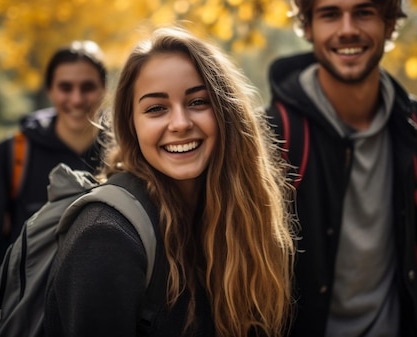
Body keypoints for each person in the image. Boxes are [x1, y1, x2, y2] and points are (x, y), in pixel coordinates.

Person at [265, 0, 417, 337]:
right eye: (330, 14)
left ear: (389, 23)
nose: (347, 29)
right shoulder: (271, 133)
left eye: (364, 12)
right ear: (308, 26)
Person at [44, 27, 297, 336]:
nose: (179, 123)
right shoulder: (106, 236)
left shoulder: (239, 216)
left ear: (226, 112)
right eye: (156, 109)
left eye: (198, 102)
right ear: (131, 124)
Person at [0, 40, 109, 308]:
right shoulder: (12, 153)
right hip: (25, 314)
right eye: (65, 87)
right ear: (50, 90)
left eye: (87, 87)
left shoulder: (126, 153)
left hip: (105, 313)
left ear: (104, 90)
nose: (76, 98)